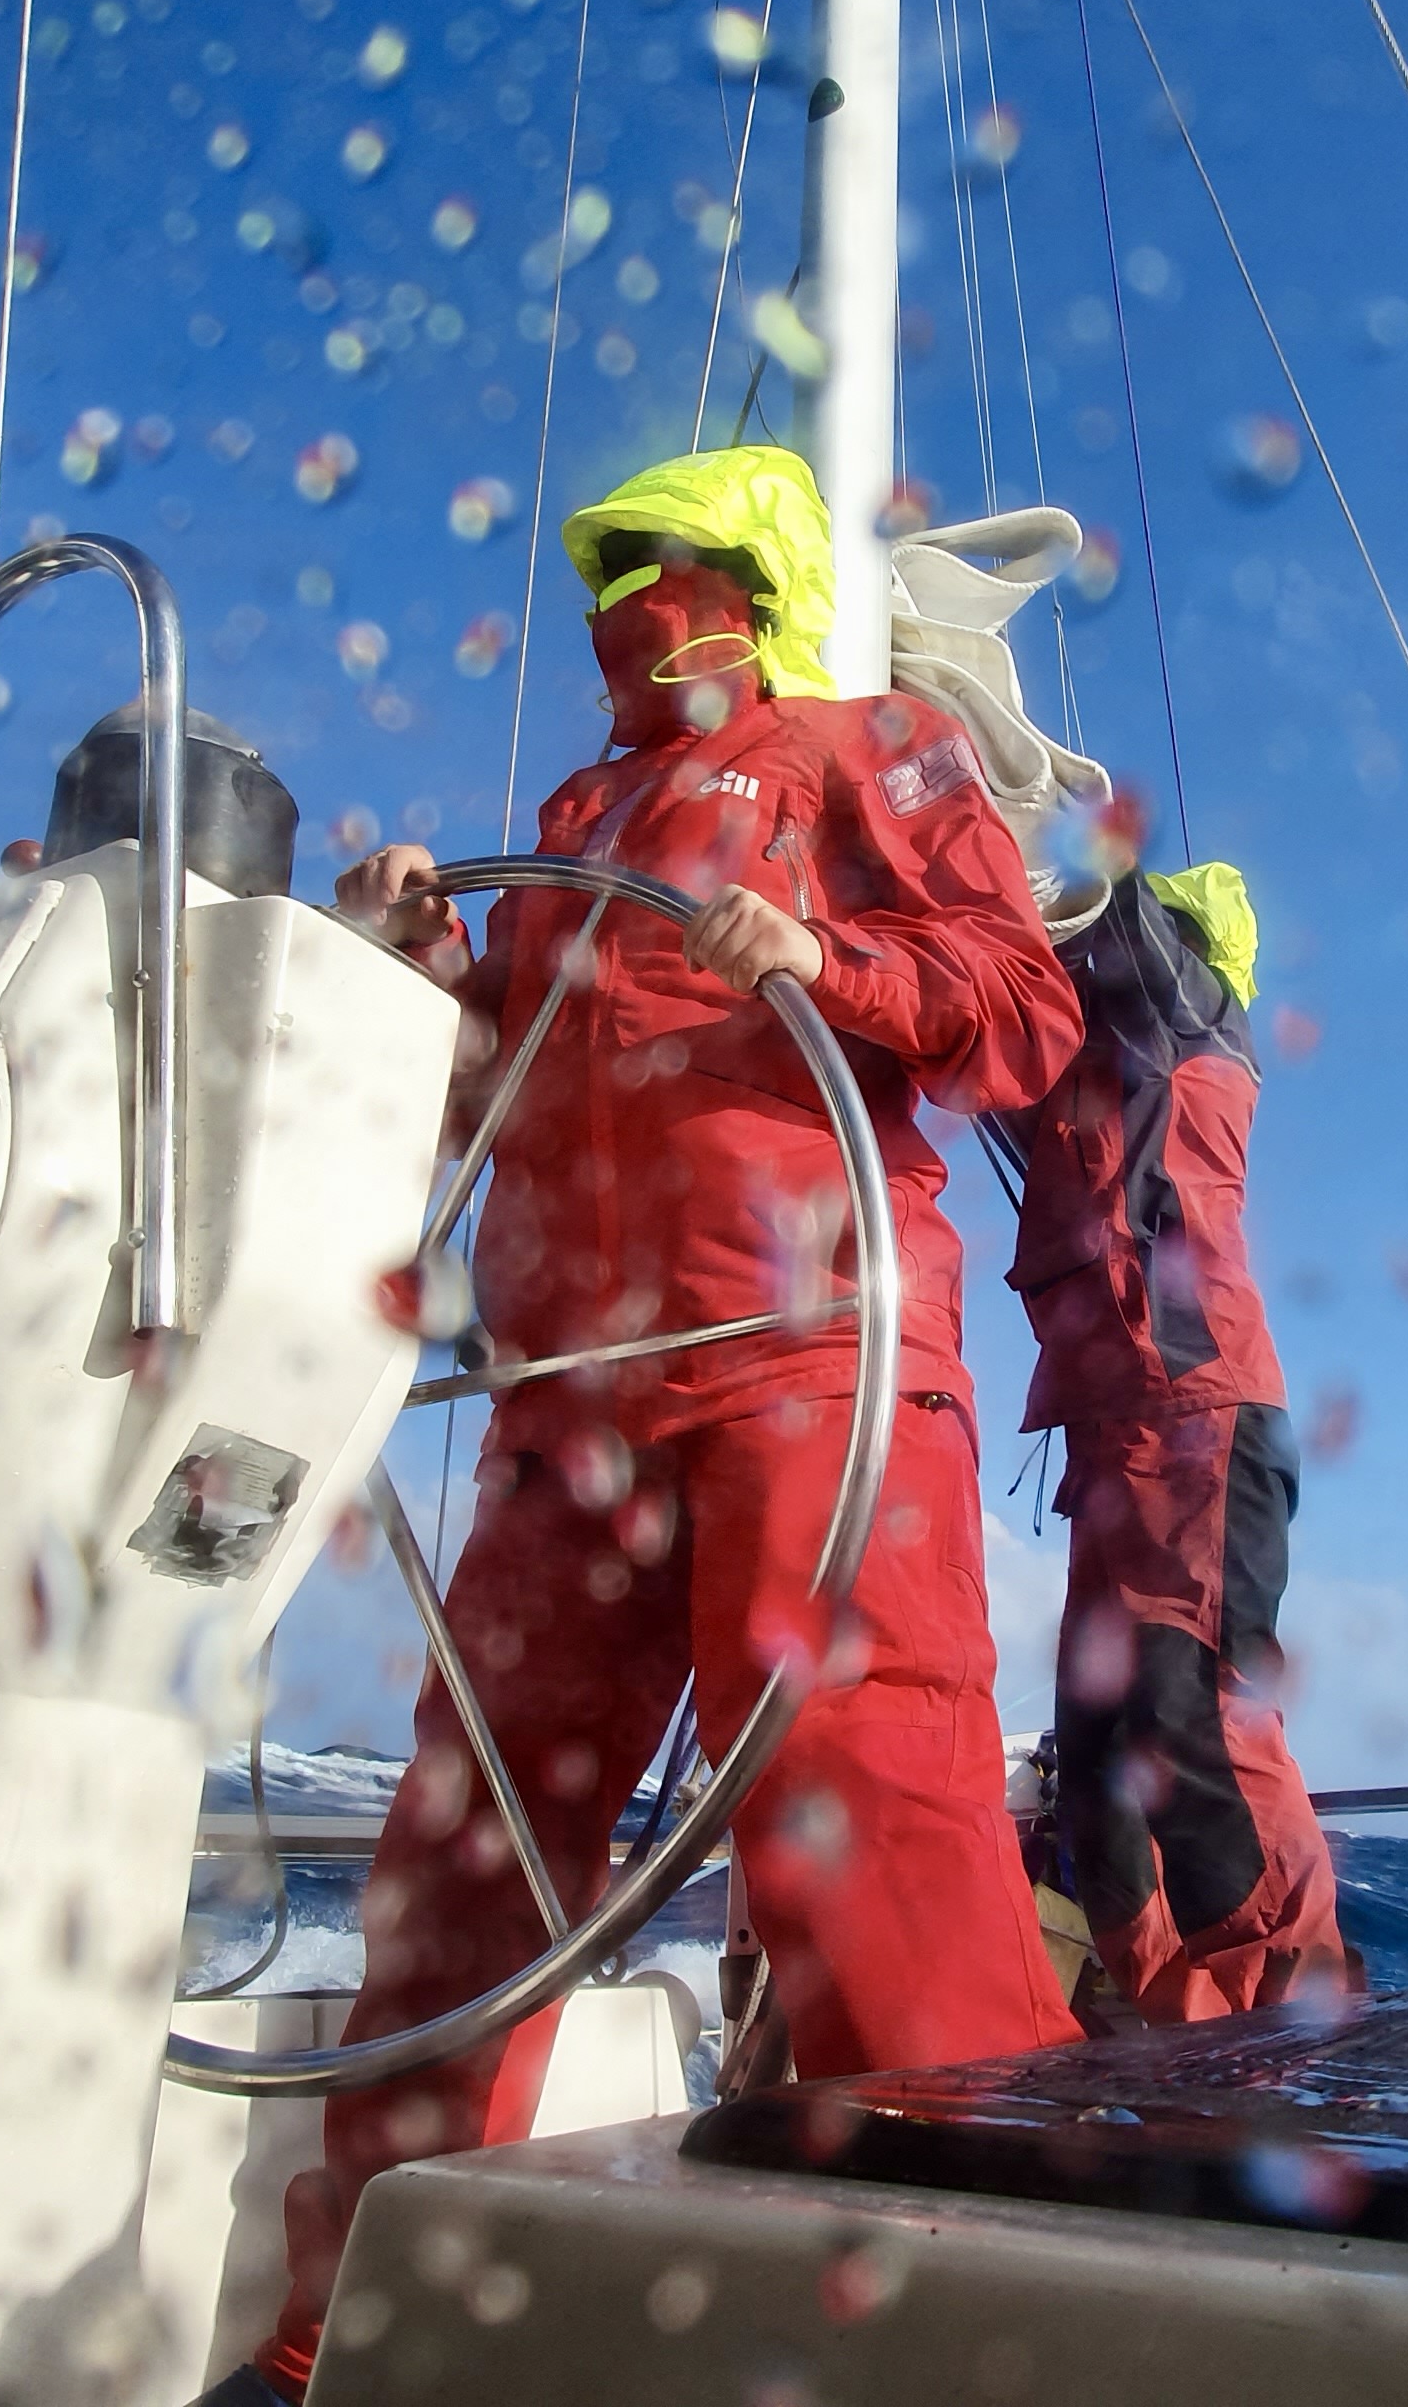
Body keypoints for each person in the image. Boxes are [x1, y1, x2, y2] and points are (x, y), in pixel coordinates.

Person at [223, 448, 1084, 2406]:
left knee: (868, 1838)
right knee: (462, 1870)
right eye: (605, 569)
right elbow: (500, 1099)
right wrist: (425, 968)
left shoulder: (876, 752)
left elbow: (1021, 1014)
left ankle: (997, 2338)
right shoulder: (570, 823)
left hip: (812, 1361)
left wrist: (827, 961)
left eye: (661, 564)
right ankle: (338, 2346)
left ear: (751, 576)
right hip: (565, 1407)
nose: (627, 600)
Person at [996, 824, 1361, 2022]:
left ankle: (1292, 2037)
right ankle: (1178, 2037)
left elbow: (1091, 884)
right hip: (1114, 1442)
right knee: (1098, 1770)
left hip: (1200, 1417)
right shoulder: (1083, 1058)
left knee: (1189, 1717)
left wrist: (943, 771)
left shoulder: (1181, 1002)